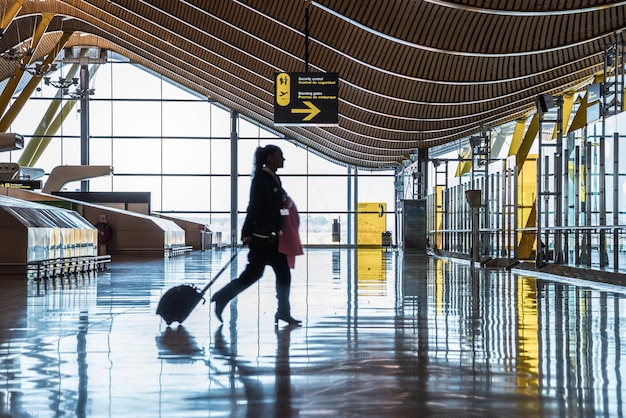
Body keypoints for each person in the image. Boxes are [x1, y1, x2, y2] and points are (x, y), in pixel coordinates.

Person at [211, 145, 302, 326]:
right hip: (262, 239)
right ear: (269, 158)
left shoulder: (273, 178)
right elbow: (253, 205)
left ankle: (283, 312)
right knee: (253, 275)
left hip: (273, 239)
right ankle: (222, 297)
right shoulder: (262, 178)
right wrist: (246, 232)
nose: (283, 159)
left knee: (282, 275)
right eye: (280, 156)